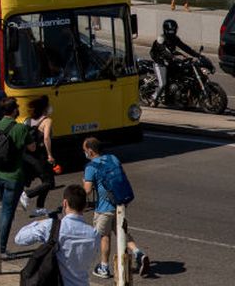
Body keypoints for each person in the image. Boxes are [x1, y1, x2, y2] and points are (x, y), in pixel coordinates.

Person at [83, 137, 151, 278]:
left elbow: (87, 191)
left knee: (104, 237)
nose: (84, 152)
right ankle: (139, 254)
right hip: (120, 204)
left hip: (104, 209)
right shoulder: (113, 158)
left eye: (84, 150)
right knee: (121, 232)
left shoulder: (91, 167)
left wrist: (84, 181)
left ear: (90, 151)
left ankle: (104, 267)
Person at [14, 185, 100, 286]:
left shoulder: (52, 226)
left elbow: (19, 238)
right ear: (85, 205)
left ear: (65, 203)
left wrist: (39, 222)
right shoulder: (94, 234)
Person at [0, 97, 35, 258]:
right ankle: (1, 248)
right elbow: (32, 148)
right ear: (14, 111)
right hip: (14, 176)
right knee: (7, 212)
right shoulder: (20, 129)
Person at [149, 18, 203, 106]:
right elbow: (163, 51)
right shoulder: (161, 39)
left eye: (174, 30)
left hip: (170, 61)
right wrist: (174, 57)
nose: (172, 32)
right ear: (165, 30)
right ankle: (154, 99)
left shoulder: (175, 38)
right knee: (163, 84)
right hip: (160, 62)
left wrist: (196, 54)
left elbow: (184, 47)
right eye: (170, 30)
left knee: (181, 76)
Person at [22, 95, 56, 210]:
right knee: (49, 182)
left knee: (44, 181)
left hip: (29, 155)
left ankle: (40, 208)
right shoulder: (47, 121)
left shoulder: (27, 120)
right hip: (41, 155)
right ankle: (28, 194)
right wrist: (50, 155)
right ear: (44, 108)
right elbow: (46, 138)